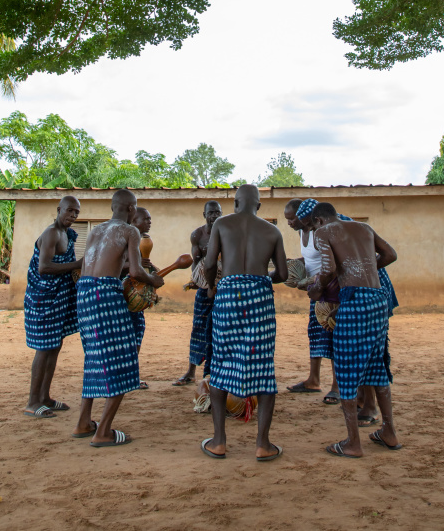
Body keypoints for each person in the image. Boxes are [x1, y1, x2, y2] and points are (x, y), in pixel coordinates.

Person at [202, 185, 288, 461]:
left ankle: (219, 442)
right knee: (263, 364)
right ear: (259, 206)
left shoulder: (222, 223)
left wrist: (215, 286)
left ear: (236, 203)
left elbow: (209, 262)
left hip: (227, 295)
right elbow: (283, 274)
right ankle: (263, 444)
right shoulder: (273, 231)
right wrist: (260, 279)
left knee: (221, 363)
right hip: (260, 299)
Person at [72, 190, 164, 447]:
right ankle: (103, 433)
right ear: (132, 209)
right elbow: (135, 270)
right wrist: (152, 280)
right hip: (106, 293)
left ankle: (83, 423)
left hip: (85, 293)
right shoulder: (130, 231)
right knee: (125, 359)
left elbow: (88, 265)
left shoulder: (95, 230)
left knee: (93, 357)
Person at [311, 202, 401, 457]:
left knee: (347, 369)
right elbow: (390, 255)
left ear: (318, 221)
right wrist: (366, 270)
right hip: (377, 299)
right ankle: (389, 432)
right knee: (376, 367)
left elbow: (327, 270)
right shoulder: (364, 227)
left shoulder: (324, 232)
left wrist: (317, 288)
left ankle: (353, 443)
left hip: (354, 301)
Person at [24, 196, 83, 418]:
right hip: (44, 299)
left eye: (76, 212)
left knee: (54, 346)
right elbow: (44, 268)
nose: (73, 216)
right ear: (59, 209)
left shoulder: (67, 234)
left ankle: (45, 397)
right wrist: (77, 265)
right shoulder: (51, 233)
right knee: (44, 348)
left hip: (58, 297)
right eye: (69, 211)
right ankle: (32, 402)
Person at [284, 198, 340, 405]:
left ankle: (337, 386)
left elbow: (332, 264)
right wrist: (289, 265)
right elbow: (309, 260)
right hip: (315, 290)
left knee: (333, 335)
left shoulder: (322, 230)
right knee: (315, 334)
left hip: (330, 289)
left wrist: (315, 282)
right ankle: (313, 380)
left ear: (305, 216)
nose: (289, 223)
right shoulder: (302, 232)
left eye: (292, 219)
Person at [173, 201, 222, 386]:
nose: (214, 215)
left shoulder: (226, 231)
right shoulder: (198, 235)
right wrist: (198, 280)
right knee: (199, 327)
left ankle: (216, 372)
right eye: (211, 212)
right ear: (204, 214)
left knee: (221, 329)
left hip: (223, 287)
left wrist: (216, 285)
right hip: (204, 289)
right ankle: (192, 371)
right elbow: (196, 261)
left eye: (217, 212)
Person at [121, 206, 157, 390]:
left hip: (135, 301)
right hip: (124, 296)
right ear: (134, 221)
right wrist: (136, 266)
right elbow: (119, 264)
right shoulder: (128, 237)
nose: (149, 222)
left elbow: (142, 266)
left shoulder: (142, 241)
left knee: (136, 336)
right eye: (146, 219)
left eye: (150, 219)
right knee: (127, 338)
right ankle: (128, 377)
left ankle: (132, 376)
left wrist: (152, 269)